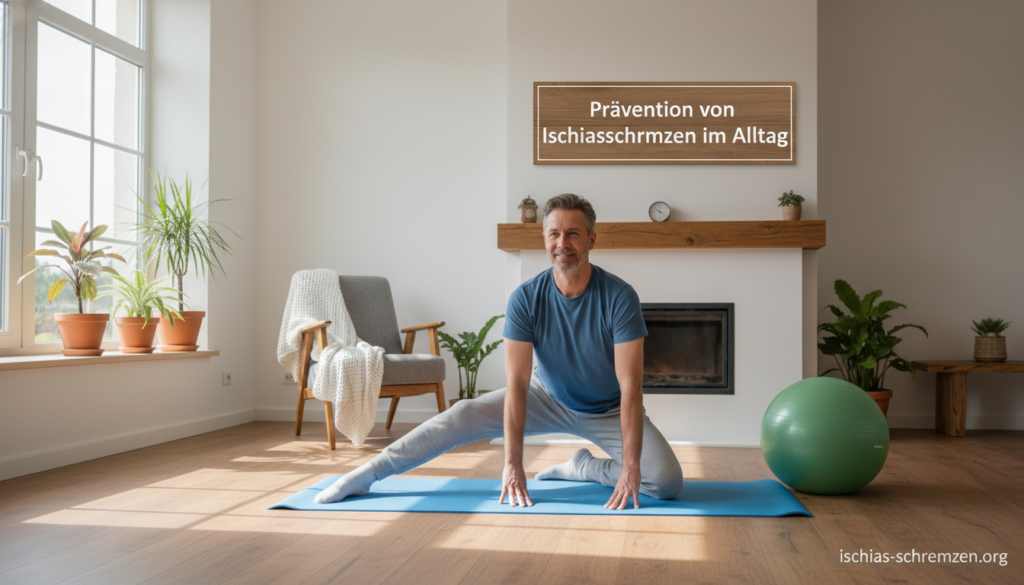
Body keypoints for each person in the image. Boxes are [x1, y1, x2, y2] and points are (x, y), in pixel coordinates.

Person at [315, 193, 683, 508]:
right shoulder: (526, 297)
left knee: (664, 482)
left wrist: (631, 467)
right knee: (461, 414)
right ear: (544, 239)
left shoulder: (619, 297)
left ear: (591, 239)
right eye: (554, 233)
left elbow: (631, 386)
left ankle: (584, 468)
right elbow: (518, 384)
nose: (562, 243)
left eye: (573, 233)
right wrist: (512, 463)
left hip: (609, 409)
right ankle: (368, 474)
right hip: (546, 396)